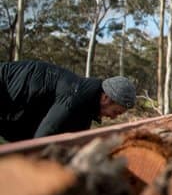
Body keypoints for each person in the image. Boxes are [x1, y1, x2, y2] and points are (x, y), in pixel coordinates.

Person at [0, 60, 136, 142]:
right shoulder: (74, 98)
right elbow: (44, 136)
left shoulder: (85, 104)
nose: (113, 118)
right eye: (116, 112)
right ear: (105, 98)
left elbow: (76, 138)